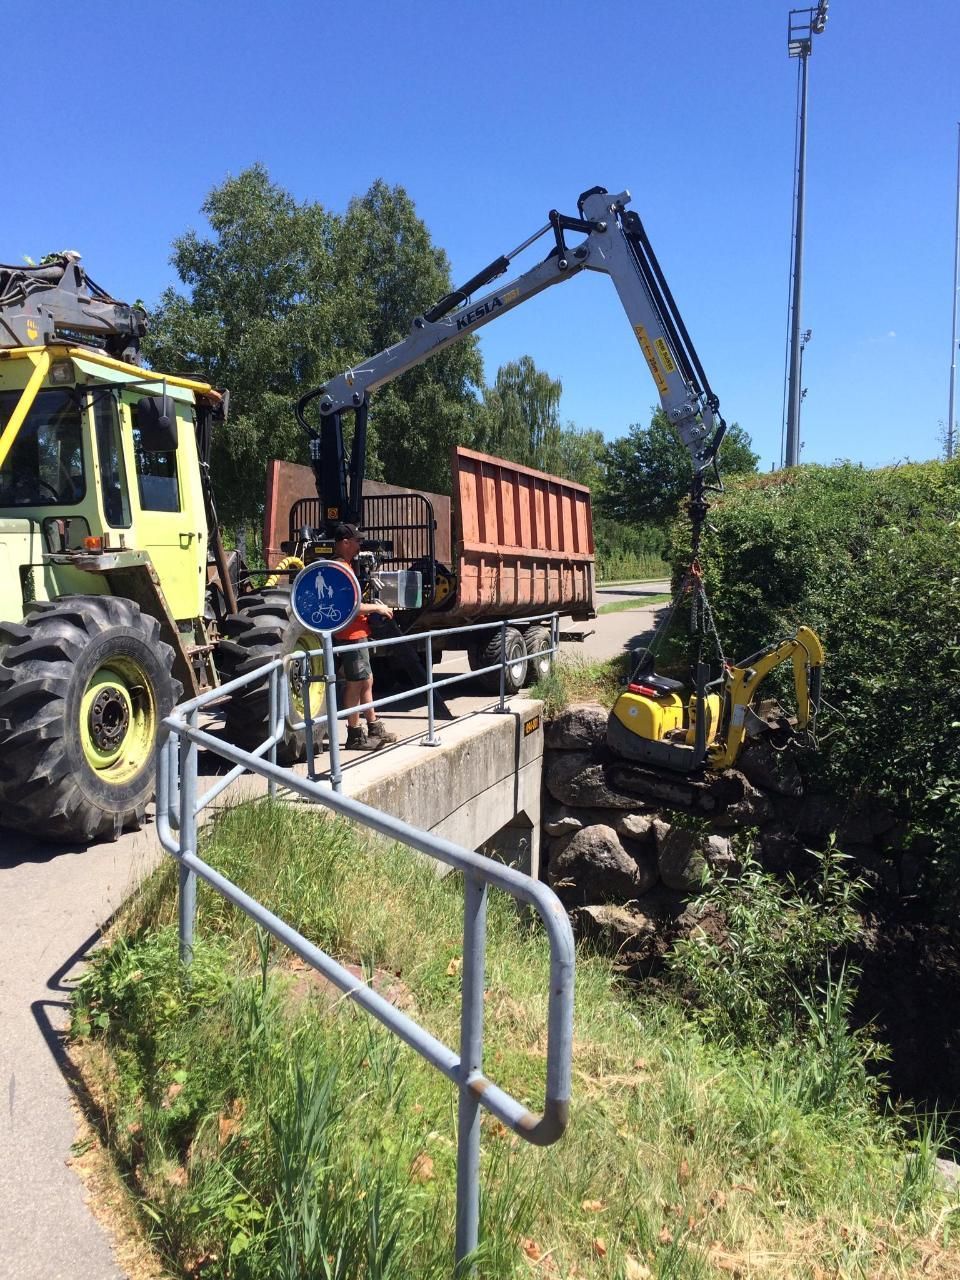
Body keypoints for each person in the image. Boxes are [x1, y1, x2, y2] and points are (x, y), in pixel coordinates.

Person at [331, 523, 398, 752]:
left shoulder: (347, 566)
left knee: (366, 680)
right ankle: (354, 735)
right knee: (355, 683)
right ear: (345, 543)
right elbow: (349, 607)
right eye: (357, 541)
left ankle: (374, 726)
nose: (360, 545)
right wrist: (377, 608)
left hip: (359, 633)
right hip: (351, 635)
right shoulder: (341, 569)